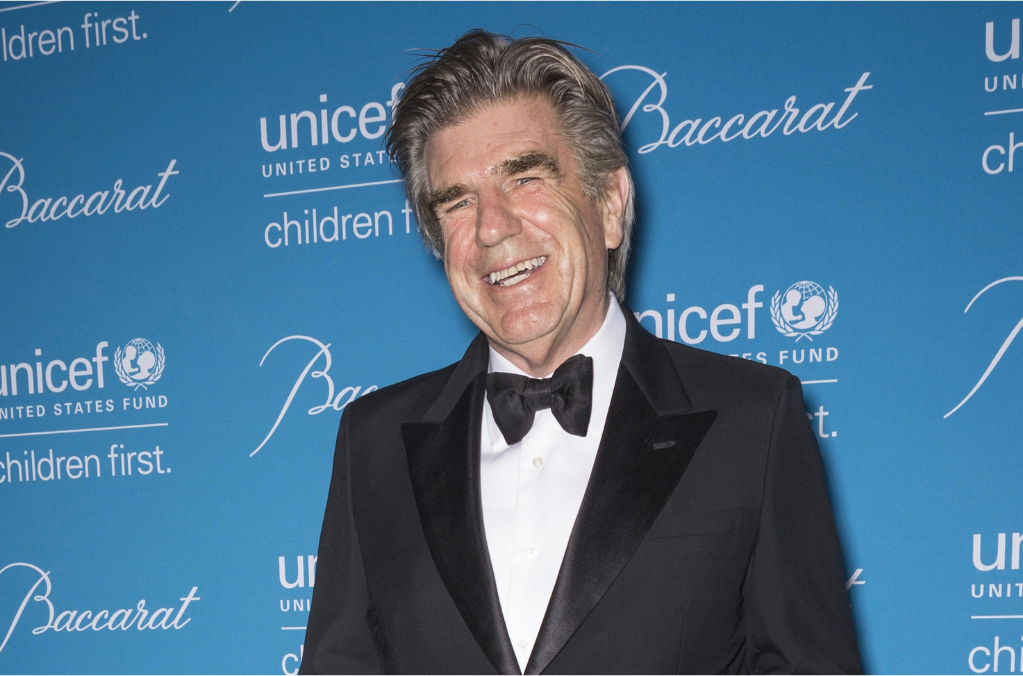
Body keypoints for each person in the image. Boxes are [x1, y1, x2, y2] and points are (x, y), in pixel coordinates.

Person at [301, 30, 862, 675]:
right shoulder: (373, 443)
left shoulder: (752, 421)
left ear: (611, 203)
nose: (492, 227)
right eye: (458, 203)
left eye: (526, 177)